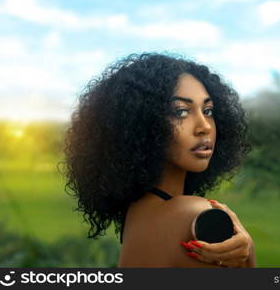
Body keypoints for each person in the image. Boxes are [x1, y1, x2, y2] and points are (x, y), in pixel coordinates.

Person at [63, 53, 256, 267]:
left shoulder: (139, 212)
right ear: (142, 125)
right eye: (181, 112)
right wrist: (248, 257)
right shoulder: (192, 215)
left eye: (208, 110)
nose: (205, 126)